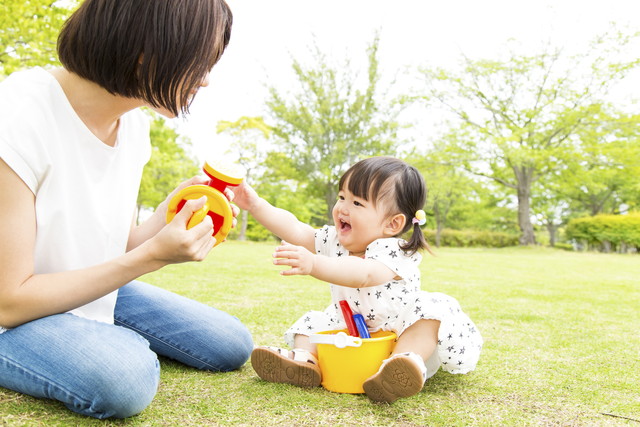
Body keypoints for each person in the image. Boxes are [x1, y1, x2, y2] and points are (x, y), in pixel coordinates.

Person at [0, 0, 253, 420]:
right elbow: (9, 300)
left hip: (75, 289)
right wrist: (152, 257)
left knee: (229, 343)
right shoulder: (18, 115)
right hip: (14, 307)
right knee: (124, 379)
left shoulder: (133, 124)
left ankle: (87, 334)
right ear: (145, 48)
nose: (205, 81)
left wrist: (170, 214)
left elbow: (117, 244)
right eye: (198, 61)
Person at [231, 156, 483, 403]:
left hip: (397, 332)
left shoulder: (395, 250)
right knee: (313, 322)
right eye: (342, 197)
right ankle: (305, 361)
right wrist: (255, 205)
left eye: (357, 203)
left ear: (393, 223)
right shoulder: (334, 240)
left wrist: (314, 263)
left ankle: (402, 365)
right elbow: (296, 228)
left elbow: (363, 274)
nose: (342, 207)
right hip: (350, 327)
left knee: (431, 313)